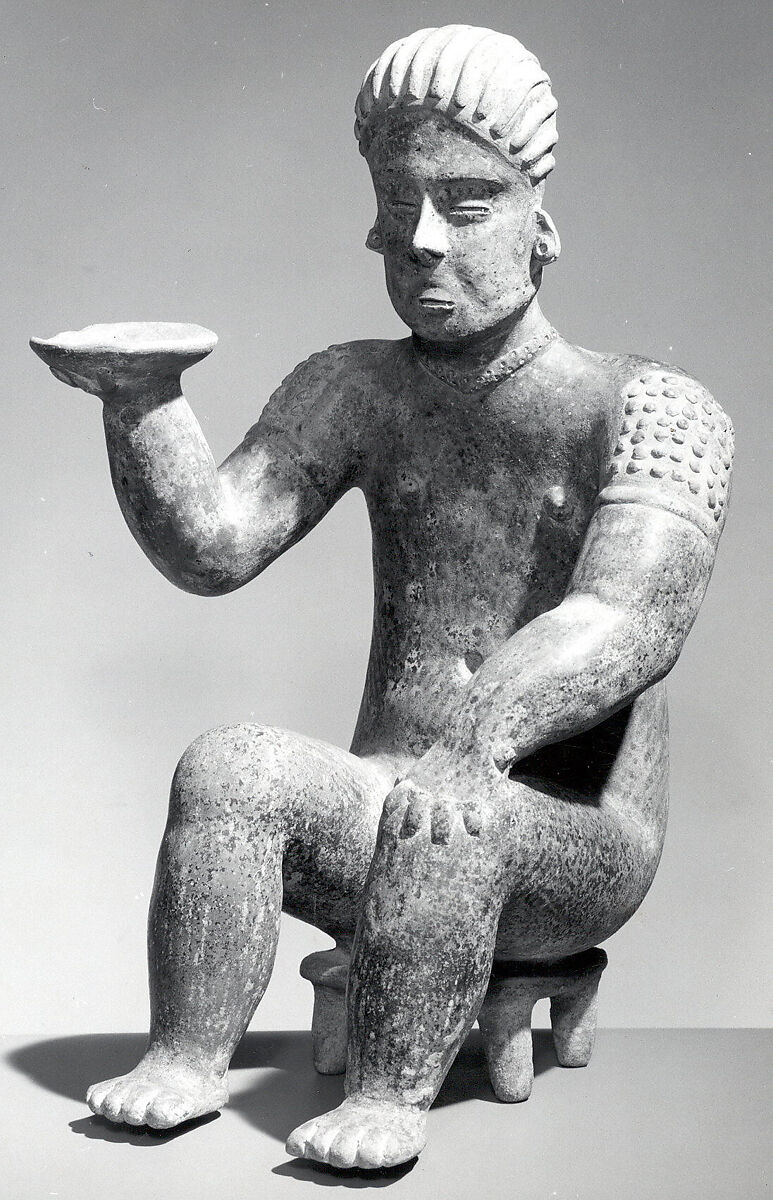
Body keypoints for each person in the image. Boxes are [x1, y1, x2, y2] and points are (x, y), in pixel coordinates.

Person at [39, 25, 733, 1169]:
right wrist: (140, 402)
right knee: (228, 768)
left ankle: (387, 1098)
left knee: (447, 818)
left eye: (466, 204)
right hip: (395, 793)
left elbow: (628, 616)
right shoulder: (353, 385)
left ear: (539, 222)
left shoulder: (651, 408)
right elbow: (215, 549)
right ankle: (185, 1060)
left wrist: (477, 739)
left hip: (569, 829)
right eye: (397, 204)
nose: (421, 240)